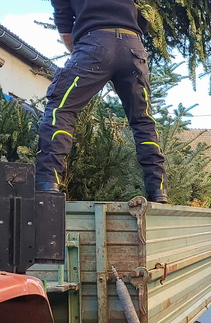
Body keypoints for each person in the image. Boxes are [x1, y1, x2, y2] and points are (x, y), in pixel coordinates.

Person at [35, 0, 167, 203]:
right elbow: (146, 13)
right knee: (143, 121)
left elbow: (64, 21)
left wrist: (85, 52)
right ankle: (158, 190)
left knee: (61, 109)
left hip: (94, 42)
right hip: (133, 47)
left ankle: (48, 182)